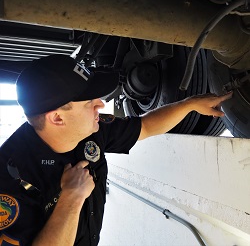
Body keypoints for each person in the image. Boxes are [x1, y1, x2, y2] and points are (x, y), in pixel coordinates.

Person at [0, 54, 232, 246]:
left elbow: (146, 126)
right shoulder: (10, 177)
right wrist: (71, 197)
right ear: (58, 118)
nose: (100, 104)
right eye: (89, 101)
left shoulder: (92, 129)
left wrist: (189, 104)